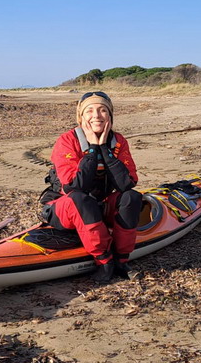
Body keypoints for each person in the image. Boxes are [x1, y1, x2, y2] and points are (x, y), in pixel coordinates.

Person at [40, 92, 141, 283]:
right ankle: (104, 261)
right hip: (65, 208)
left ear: (110, 116)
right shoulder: (67, 140)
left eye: (103, 110)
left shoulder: (118, 141)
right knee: (80, 198)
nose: (96, 116)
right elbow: (74, 187)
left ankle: (121, 260)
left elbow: (127, 183)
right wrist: (92, 149)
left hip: (99, 207)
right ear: (81, 117)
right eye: (90, 111)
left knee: (131, 197)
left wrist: (104, 149)